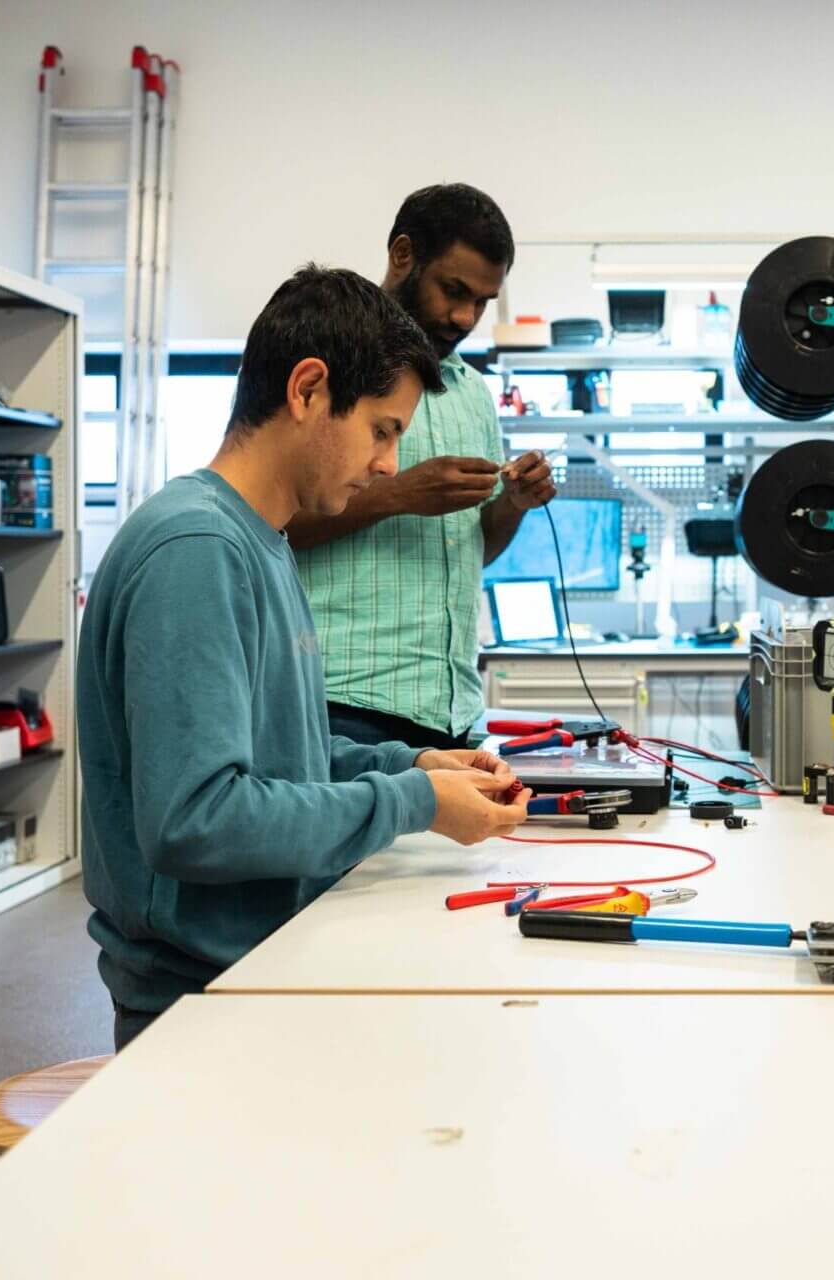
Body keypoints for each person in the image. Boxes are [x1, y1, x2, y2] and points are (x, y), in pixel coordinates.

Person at [78, 264, 528, 1050]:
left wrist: (413, 764)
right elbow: (198, 820)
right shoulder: (197, 550)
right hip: (200, 1005)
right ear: (309, 390)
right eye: (383, 430)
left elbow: (284, 756)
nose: (390, 464)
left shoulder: (262, 540)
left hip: (261, 963)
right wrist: (413, 805)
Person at [289, 184, 557, 752]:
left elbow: (473, 550)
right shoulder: (323, 364)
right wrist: (401, 493)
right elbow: (271, 523)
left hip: (453, 709)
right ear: (403, 255)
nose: (464, 316)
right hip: (343, 704)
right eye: (453, 290)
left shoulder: (474, 395)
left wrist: (513, 503)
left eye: (483, 302)